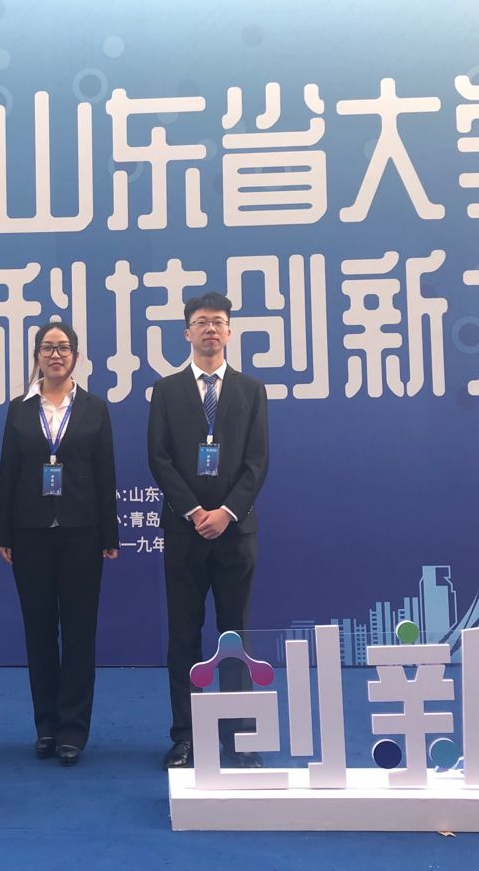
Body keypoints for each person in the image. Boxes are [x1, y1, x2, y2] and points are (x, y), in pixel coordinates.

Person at [146, 291, 270, 770]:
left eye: (218, 321)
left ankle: (240, 736)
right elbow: (159, 458)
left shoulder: (250, 390)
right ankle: (186, 737)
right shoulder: (167, 390)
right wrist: (196, 511)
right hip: (184, 532)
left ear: (230, 331)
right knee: (183, 635)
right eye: (201, 322)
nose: (210, 329)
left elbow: (257, 462)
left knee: (235, 635)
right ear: (187, 332)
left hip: (236, 533)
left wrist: (226, 512)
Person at [0, 322, 119, 767]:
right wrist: (3, 533)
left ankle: (73, 730)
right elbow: (7, 473)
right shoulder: (18, 409)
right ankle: (45, 726)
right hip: (29, 532)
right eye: (47, 347)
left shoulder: (94, 409)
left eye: (63, 347)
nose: (55, 354)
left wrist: (109, 533)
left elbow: (105, 472)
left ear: (76, 356)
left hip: (83, 531)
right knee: (39, 630)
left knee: (80, 631)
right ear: (37, 355)